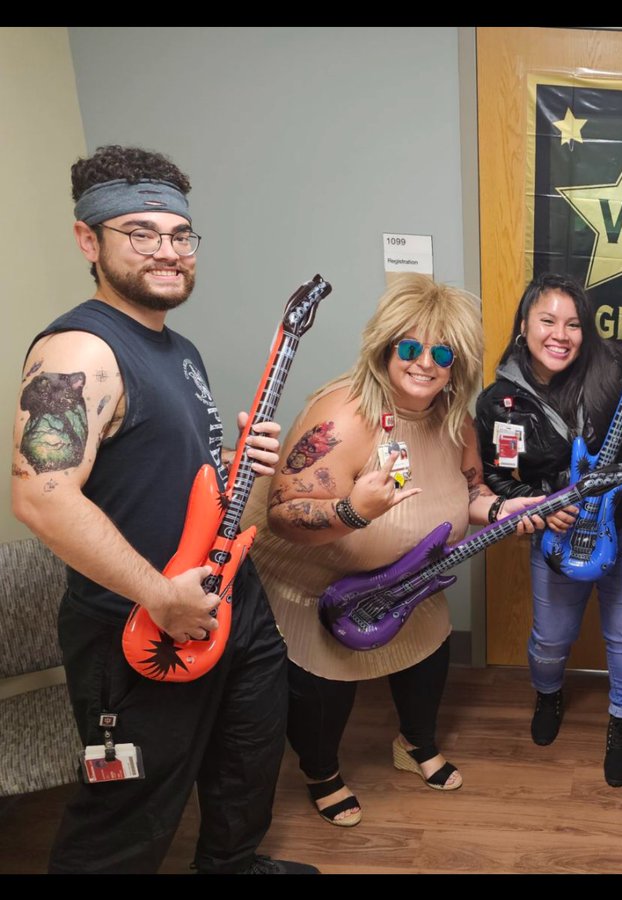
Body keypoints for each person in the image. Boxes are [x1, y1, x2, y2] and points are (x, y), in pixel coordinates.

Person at [10, 145, 315, 873]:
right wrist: (160, 595)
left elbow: (169, 475)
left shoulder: (176, 348)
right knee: (125, 812)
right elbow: (39, 494)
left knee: (247, 759)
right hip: (145, 625)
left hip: (228, 604)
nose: (168, 252)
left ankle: (231, 863)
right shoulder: (77, 351)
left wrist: (244, 466)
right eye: (141, 233)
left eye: (180, 235)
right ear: (90, 240)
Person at [244, 273, 542, 826]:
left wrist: (503, 511)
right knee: (323, 695)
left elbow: (472, 489)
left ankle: (415, 743)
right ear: (385, 349)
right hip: (318, 586)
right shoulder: (345, 415)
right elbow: (284, 515)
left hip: (407, 582)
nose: (425, 363)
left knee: (428, 664)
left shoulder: (455, 421)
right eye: (410, 347)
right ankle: (322, 772)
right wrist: (354, 510)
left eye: (443, 352)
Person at [475, 273, 622, 787]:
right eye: (547, 320)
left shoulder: (615, 364)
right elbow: (499, 477)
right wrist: (538, 506)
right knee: (551, 638)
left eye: (572, 324)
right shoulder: (500, 403)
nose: (560, 335)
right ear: (524, 325)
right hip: (560, 531)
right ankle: (548, 694)